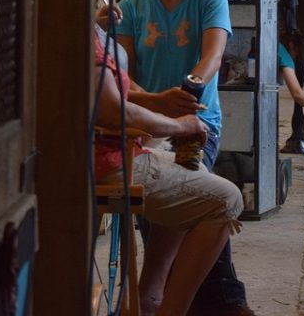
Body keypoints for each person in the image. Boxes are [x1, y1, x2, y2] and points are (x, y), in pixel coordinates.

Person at [104, 0, 256, 316]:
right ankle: (211, 300)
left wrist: (189, 89)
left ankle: (181, 299)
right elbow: (124, 77)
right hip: (143, 123)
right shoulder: (133, 5)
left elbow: (214, 54)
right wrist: (153, 103)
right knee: (177, 213)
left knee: (181, 210)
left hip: (195, 121)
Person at [94, 30, 243, 316]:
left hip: (108, 148)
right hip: (107, 160)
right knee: (227, 199)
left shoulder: (86, 29)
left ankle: (150, 295)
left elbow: (117, 94)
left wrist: (159, 102)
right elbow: (113, 111)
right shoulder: (83, 33)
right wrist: (179, 125)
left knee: (188, 166)